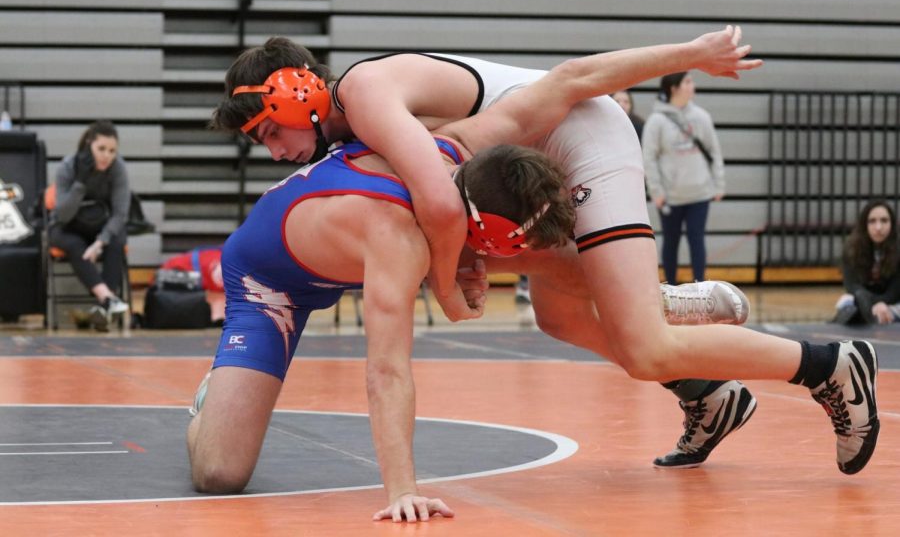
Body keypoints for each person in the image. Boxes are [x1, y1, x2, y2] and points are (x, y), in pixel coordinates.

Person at [213, 26, 878, 482]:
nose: (272, 150)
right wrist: (459, 266)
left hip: (579, 138)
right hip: (529, 155)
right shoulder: (348, 138)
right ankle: (705, 390)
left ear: (297, 89)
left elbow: (452, 199)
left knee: (644, 343)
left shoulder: (361, 96)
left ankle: (827, 365)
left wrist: (449, 291)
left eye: (271, 129)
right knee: (560, 319)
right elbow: (442, 206)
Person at [187, 139, 575, 523]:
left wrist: (457, 271)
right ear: (487, 228)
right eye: (509, 248)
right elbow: (386, 370)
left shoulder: (452, 152)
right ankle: (213, 394)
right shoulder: (396, 235)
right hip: (268, 283)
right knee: (220, 473)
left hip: (333, 253)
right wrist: (403, 490)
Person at [642, 72, 725, 285]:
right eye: (687, 82)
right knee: (671, 242)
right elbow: (648, 158)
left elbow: (714, 151)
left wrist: (719, 184)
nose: (692, 85)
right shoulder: (657, 120)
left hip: (699, 193)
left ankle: (701, 288)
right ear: (673, 88)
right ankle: (671, 288)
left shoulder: (702, 117)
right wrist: (656, 192)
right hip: (671, 196)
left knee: (697, 240)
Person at [48, 120, 130, 331]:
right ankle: (109, 300)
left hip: (98, 225)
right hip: (68, 226)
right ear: (88, 145)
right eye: (101, 149)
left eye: (112, 150)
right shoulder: (69, 165)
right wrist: (81, 183)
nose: (107, 155)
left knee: (117, 239)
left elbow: (120, 213)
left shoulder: (118, 168)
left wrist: (100, 242)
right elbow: (63, 214)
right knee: (74, 244)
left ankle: (103, 308)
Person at [832, 200, 900, 325]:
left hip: (890, 303)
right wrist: (866, 302)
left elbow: (895, 292)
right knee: (846, 302)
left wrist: (877, 304)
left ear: (892, 224)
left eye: (884, 221)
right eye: (872, 221)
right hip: (861, 300)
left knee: (889, 311)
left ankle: (864, 318)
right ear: (864, 225)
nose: (878, 227)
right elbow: (851, 286)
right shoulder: (851, 248)